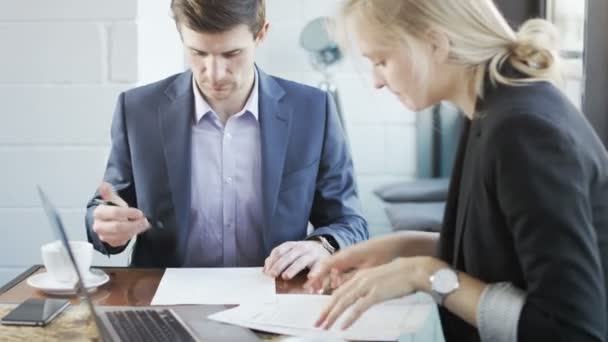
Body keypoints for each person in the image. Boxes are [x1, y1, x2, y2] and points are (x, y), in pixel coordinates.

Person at [306, 1, 608, 341]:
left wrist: (425, 274)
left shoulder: (523, 129)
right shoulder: (490, 108)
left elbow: (570, 331)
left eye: (381, 61)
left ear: (436, 43)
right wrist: (402, 248)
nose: (377, 81)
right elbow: (504, 253)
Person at [84, 0, 368, 279]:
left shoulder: (313, 109)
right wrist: (107, 225)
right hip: (164, 300)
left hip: (274, 296)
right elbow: (105, 208)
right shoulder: (137, 110)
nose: (214, 73)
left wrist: (322, 246)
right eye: (198, 53)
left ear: (261, 34)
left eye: (232, 54)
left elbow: (348, 220)